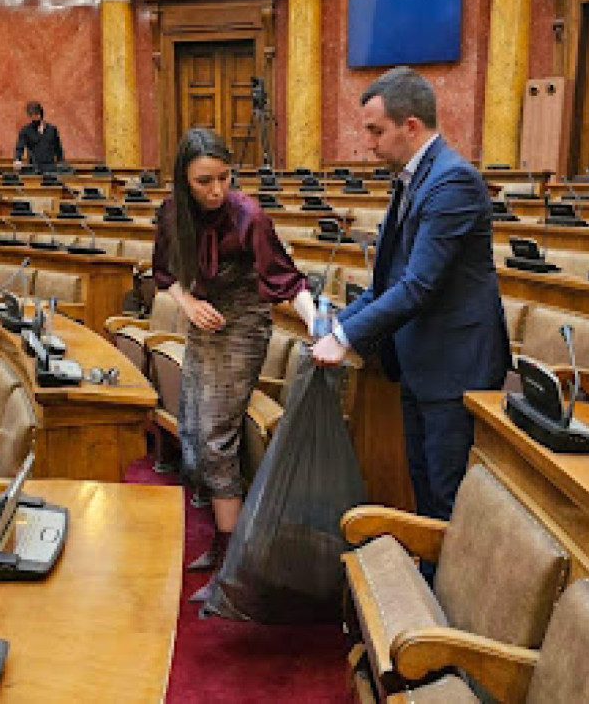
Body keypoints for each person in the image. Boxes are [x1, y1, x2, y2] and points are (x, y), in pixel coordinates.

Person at [312, 66, 510, 528]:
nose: (368, 143)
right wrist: (337, 326)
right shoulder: (411, 178)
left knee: (446, 495)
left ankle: (449, 576)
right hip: (420, 361)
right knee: (423, 485)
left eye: (376, 131)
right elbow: (387, 283)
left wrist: (344, 338)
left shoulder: (453, 182)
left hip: (454, 367)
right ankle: (429, 567)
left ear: (411, 126)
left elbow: (418, 285)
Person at [152, 127, 315, 604]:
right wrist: (187, 304)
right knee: (192, 424)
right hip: (203, 318)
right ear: (183, 180)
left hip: (243, 323)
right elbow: (165, 273)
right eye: (204, 181)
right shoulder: (172, 212)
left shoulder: (249, 216)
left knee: (214, 435)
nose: (217, 190)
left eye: (224, 177)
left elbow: (288, 280)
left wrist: (317, 324)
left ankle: (234, 565)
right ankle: (224, 543)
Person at [13, 101, 63, 172]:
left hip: (50, 167)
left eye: (36, 114)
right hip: (34, 167)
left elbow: (58, 148)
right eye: (31, 115)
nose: (34, 117)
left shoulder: (52, 129)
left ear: (41, 113)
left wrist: (61, 162)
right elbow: (19, 147)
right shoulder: (26, 130)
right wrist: (17, 159)